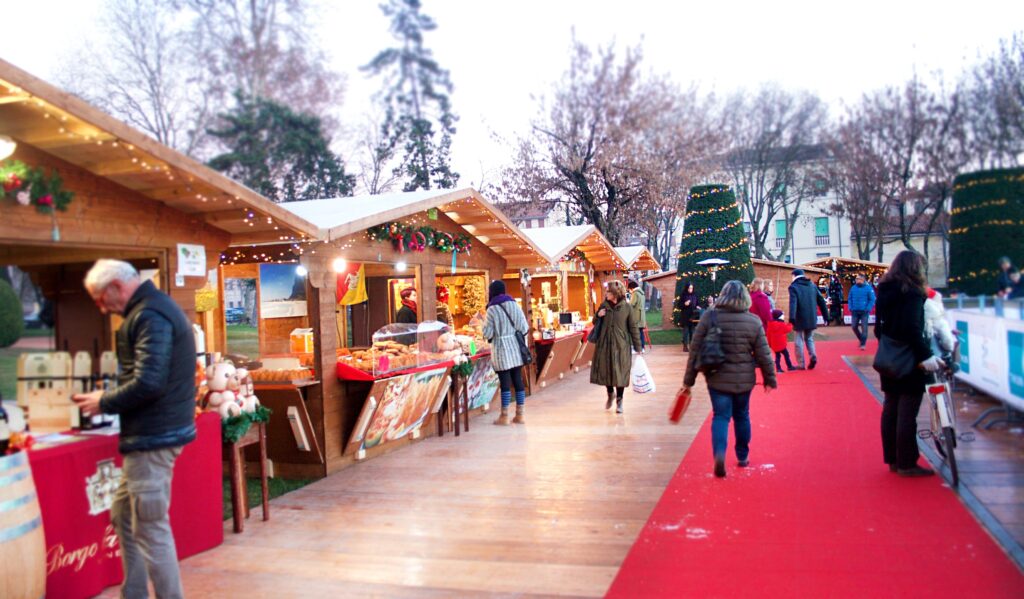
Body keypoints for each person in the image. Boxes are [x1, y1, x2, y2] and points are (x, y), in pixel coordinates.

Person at [72, 259, 196, 599]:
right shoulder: (151, 310)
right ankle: (135, 592)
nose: (101, 306)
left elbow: (149, 382)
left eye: (99, 297)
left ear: (115, 287)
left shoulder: (149, 316)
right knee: (124, 515)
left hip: (153, 438)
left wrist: (105, 401)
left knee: (151, 528)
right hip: (153, 434)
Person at [682, 281, 777, 478]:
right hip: (744, 379)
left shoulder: (710, 316)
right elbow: (764, 354)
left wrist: (688, 382)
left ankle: (719, 455)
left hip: (716, 378)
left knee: (721, 417)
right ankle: (742, 455)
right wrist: (770, 378)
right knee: (742, 415)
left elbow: (695, 350)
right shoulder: (753, 321)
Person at [875, 250, 943, 477]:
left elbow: (878, 328)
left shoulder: (884, 290)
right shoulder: (912, 293)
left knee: (891, 408)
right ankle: (907, 462)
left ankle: (893, 460)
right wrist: (926, 356)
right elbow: (913, 329)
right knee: (907, 413)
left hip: (889, 355)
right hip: (910, 357)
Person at [482, 280, 530, 425]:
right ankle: (520, 415)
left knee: (505, 383)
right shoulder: (514, 305)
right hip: (516, 348)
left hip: (501, 349)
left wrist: (485, 327)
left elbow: (488, 333)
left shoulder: (491, 309)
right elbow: (524, 327)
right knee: (517, 380)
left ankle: (504, 416)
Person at [591, 280, 642, 414]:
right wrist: (598, 315)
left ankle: (620, 400)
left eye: (608, 291)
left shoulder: (627, 308)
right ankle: (610, 394)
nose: (606, 293)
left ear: (615, 293)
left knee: (620, 373)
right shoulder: (604, 306)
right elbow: (594, 321)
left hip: (621, 346)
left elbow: (633, 328)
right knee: (606, 370)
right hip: (605, 345)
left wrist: (638, 347)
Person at [788, 268, 829, 370]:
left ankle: (801, 364)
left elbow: (793, 303)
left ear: (794, 276)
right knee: (809, 338)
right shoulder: (812, 285)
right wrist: (826, 316)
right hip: (811, 317)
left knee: (799, 340)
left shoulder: (794, 287)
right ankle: (813, 355)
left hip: (799, 317)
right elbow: (821, 301)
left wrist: (792, 317)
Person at [847, 274, 876, 351]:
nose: (856, 280)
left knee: (864, 328)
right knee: (854, 327)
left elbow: (872, 299)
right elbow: (849, 298)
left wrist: (868, 308)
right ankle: (861, 339)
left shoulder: (868, 288)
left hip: (864, 311)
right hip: (855, 311)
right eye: (856, 279)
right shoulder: (853, 288)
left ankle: (863, 344)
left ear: (863, 280)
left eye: (858, 279)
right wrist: (850, 307)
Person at [627, 280, 648, 353]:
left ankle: (637, 349)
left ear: (631, 288)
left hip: (636, 316)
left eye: (629, 289)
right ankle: (642, 348)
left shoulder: (635, 293)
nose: (629, 291)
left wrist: (627, 302)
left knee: (636, 333)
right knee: (640, 332)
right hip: (641, 316)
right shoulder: (642, 293)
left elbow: (631, 304)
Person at [678, 282, 699, 352]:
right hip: (685, 317)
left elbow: (697, 304)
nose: (691, 289)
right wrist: (684, 304)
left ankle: (692, 346)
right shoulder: (683, 295)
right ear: (687, 288)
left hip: (693, 317)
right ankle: (685, 346)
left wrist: (698, 307)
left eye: (692, 288)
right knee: (685, 332)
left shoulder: (695, 295)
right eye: (689, 288)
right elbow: (679, 305)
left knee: (692, 332)